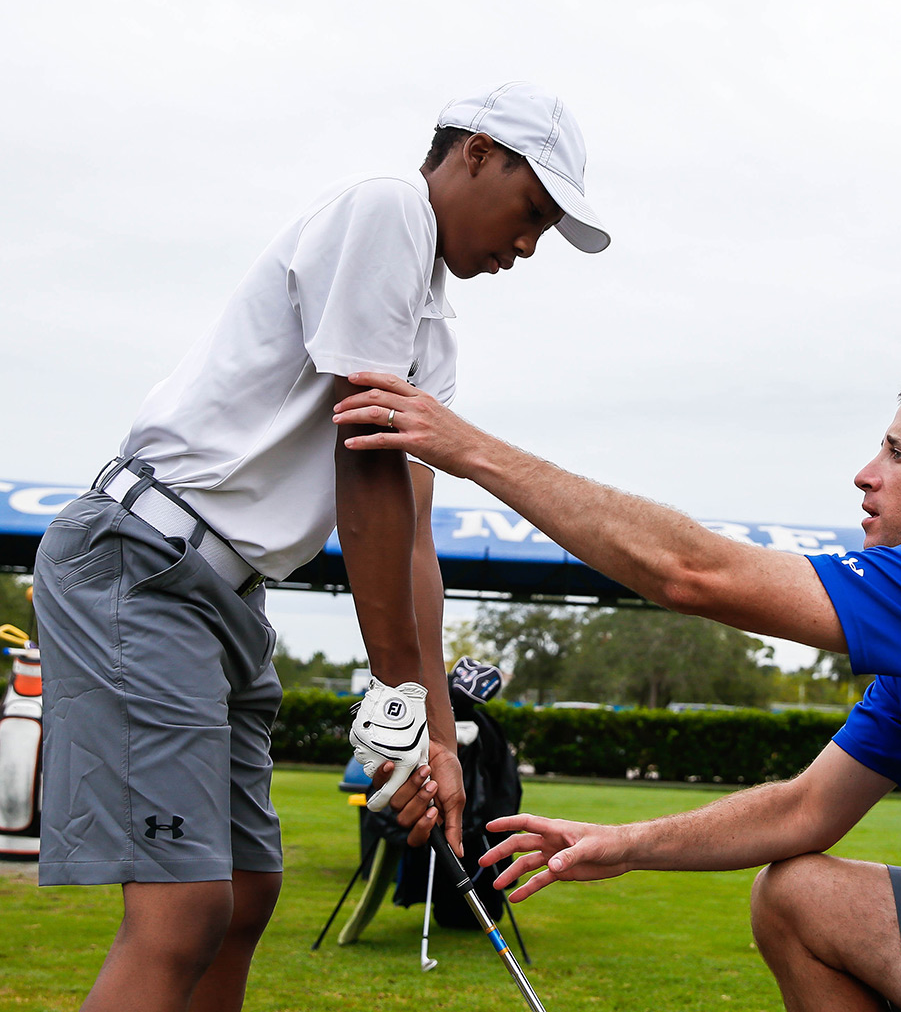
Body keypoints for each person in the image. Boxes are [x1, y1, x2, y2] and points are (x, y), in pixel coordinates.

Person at [332, 370, 901, 1012]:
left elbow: (691, 574)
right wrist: (621, 843)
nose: (865, 474)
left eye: (897, 455)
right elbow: (802, 814)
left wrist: (469, 448)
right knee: (798, 894)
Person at [31, 80, 609, 1012]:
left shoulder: (435, 338)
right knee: (180, 913)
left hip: (225, 597)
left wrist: (440, 731)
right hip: (143, 562)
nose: (528, 243)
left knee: (247, 896)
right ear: (474, 153)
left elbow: (413, 531)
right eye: (531, 208)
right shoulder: (386, 208)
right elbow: (365, 463)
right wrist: (391, 697)